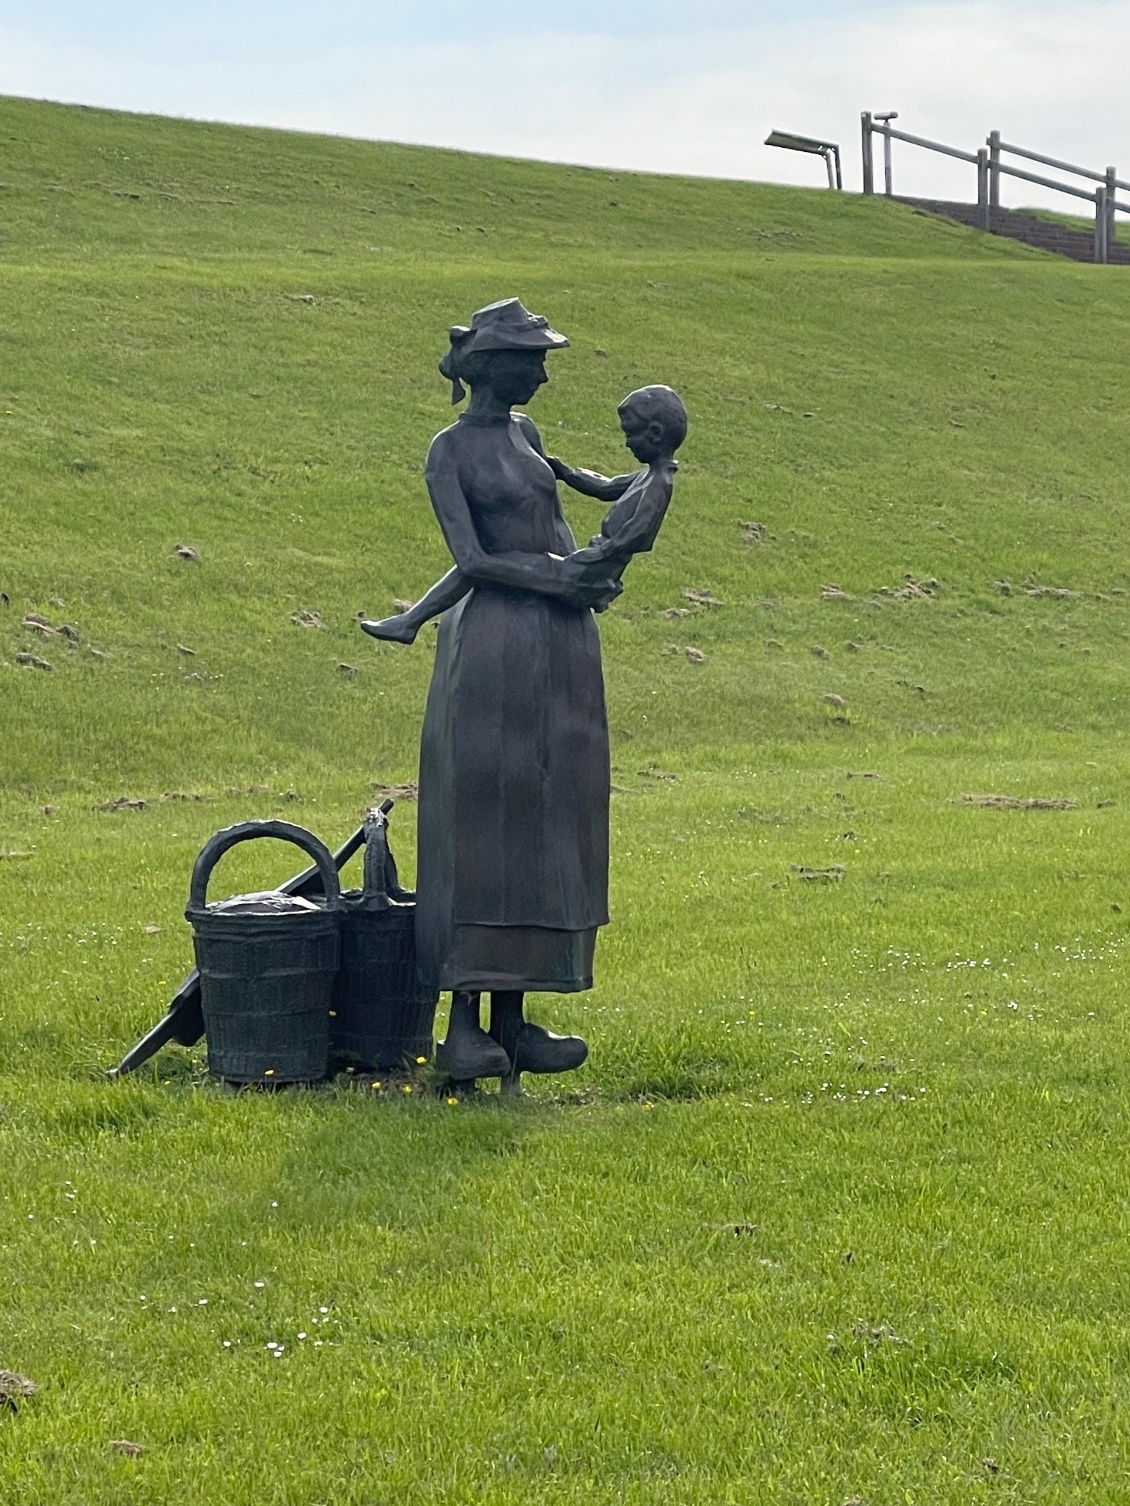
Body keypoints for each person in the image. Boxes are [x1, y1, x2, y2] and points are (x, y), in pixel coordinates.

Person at [397, 298, 622, 1084]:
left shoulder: (527, 437)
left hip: (556, 644)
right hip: (492, 642)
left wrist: (587, 571)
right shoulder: (449, 451)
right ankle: (463, 1028)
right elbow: (474, 559)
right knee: (482, 824)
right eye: (534, 360)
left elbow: (550, 524)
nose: (546, 372)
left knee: (545, 820)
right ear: (495, 366)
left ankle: (516, 1021)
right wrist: (562, 580)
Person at [359, 384, 686, 644]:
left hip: (587, 568)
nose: (626, 443)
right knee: (479, 563)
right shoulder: (647, 476)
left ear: (655, 435)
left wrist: (604, 553)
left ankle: (410, 621)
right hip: (590, 563)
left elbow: (641, 533)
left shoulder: (659, 484)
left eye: (630, 434)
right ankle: (410, 620)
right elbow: (607, 487)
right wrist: (566, 472)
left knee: (481, 563)